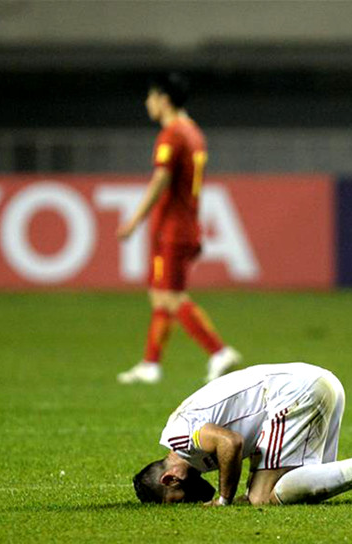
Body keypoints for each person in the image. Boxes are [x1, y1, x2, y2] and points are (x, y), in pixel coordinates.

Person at [132, 362, 352, 506]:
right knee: (297, 487)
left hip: (294, 393)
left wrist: (224, 499)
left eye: (176, 500)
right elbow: (248, 439)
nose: (188, 503)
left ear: (169, 478)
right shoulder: (193, 453)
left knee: (263, 497)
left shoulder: (180, 438)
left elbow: (230, 442)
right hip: (316, 382)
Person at [116, 73, 240, 384]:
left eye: (151, 97)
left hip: (173, 227)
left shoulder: (172, 135)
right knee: (160, 296)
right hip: (185, 223)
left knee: (171, 298)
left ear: (164, 99)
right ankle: (150, 364)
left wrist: (134, 221)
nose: (147, 103)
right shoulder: (194, 132)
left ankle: (219, 351)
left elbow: (161, 179)